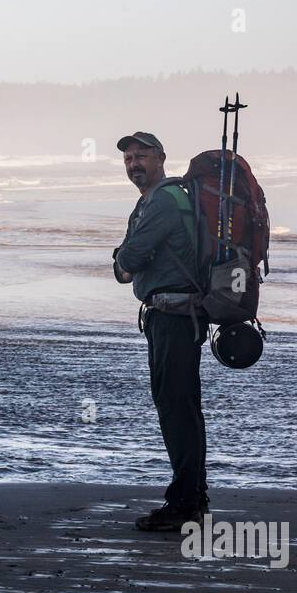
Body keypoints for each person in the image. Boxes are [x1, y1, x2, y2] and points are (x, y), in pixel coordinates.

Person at [112, 131, 210, 531]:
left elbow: (127, 262)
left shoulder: (164, 202)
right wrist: (126, 260)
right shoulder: (157, 201)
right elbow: (129, 262)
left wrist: (123, 259)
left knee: (176, 409)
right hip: (170, 315)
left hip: (174, 317)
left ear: (161, 157)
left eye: (142, 156)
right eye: (128, 158)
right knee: (179, 407)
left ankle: (186, 503)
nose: (134, 164)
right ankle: (191, 497)